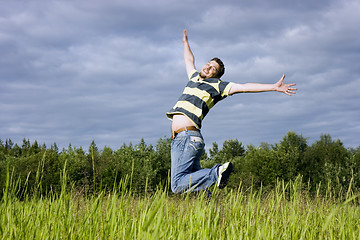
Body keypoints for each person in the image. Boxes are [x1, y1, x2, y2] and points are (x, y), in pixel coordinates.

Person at [166, 30, 297, 194]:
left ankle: (216, 172)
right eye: (208, 63)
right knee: (197, 187)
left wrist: (273, 87)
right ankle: (215, 214)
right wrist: (185, 43)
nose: (208, 67)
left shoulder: (218, 86)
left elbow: (244, 87)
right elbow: (189, 60)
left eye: (213, 68)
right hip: (185, 138)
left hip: (187, 138)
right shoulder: (193, 78)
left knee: (178, 185)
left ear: (216, 75)